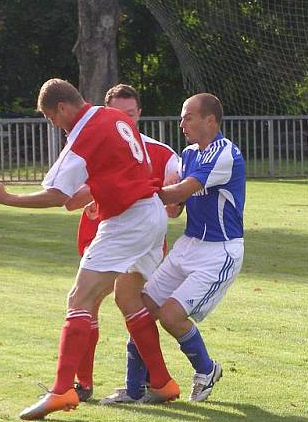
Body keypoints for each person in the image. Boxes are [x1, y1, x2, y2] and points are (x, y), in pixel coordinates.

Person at [0, 78, 180, 419]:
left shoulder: (83, 136)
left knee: (79, 299)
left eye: (49, 117)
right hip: (151, 213)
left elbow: (57, 196)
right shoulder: (110, 116)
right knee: (128, 299)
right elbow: (123, 167)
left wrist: (7, 198)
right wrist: (96, 193)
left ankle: (62, 392)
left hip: (127, 220)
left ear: (61, 108)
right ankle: (161, 383)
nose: (53, 125)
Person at [104, 93, 245, 403]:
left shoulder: (225, 154)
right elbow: (176, 205)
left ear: (210, 120)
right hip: (188, 245)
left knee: (170, 315)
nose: (181, 123)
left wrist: (125, 195)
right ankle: (135, 388)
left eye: (188, 117)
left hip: (219, 252)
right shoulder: (189, 153)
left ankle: (206, 370)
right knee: (141, 311)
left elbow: (180, 191)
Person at [63, 83, 181, 404]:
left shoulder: (159, 151)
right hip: (101, 231)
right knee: (92, 305)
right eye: (118, 113)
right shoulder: (97, 140)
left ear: (139, 114)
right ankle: (83, 384)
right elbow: (72, 197)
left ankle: (138, 385)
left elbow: (180, 181)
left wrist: (176, 199)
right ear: (107, 112)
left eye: (130, 113)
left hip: (139, 236)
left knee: (126, 302)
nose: (125, 119)